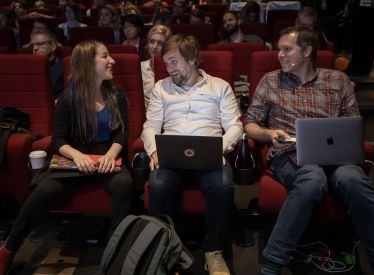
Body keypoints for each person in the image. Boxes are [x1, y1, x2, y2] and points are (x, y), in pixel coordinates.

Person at [243, 26, 374, 275]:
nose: (279, 54)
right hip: (288, 152)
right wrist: (270, 134)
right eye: (279, 49)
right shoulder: (271, 80)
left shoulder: (337, 80)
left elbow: (353, 125)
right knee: (312, 177)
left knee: (355, 180)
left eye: (286, 49)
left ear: (306, 51)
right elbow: (250, 123)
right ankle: (272, 263)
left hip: (335, 154)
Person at [0, 39, 135, 275]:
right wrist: (77, 155)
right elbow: (58, 140)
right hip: (75, 158)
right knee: (45, 190)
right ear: (87, 63)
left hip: (106, 156)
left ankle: (115, 251)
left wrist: (112, 153)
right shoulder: (68, 98)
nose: (112, 60)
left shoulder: (117, 94)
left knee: (124, 183)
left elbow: (122, 133)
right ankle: (9, 249)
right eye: (105, 56)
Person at [141, 34, 243, 275]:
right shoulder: (161, 88)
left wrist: (221, 148)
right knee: (158, 184)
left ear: (192, 59)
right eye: (166, 63)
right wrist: (154, 150)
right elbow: (151, 126)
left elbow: (235, 126)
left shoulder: (220, 87)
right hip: (172, 157)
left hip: (209, 156)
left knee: (222, 184)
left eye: (174, 61)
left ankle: (213, 250)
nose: (169, 68)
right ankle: (167, 250)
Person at [140, 24, 172, 108]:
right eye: (152, 41)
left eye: (160, 43)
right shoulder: (140, 67)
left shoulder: (174, 68)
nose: (154, 47)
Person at [30, 29, 64, 100]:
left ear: (53, 46)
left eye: (39, 44)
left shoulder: (64, 67)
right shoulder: (28, 68)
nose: (35, 48)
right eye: (33, 45)